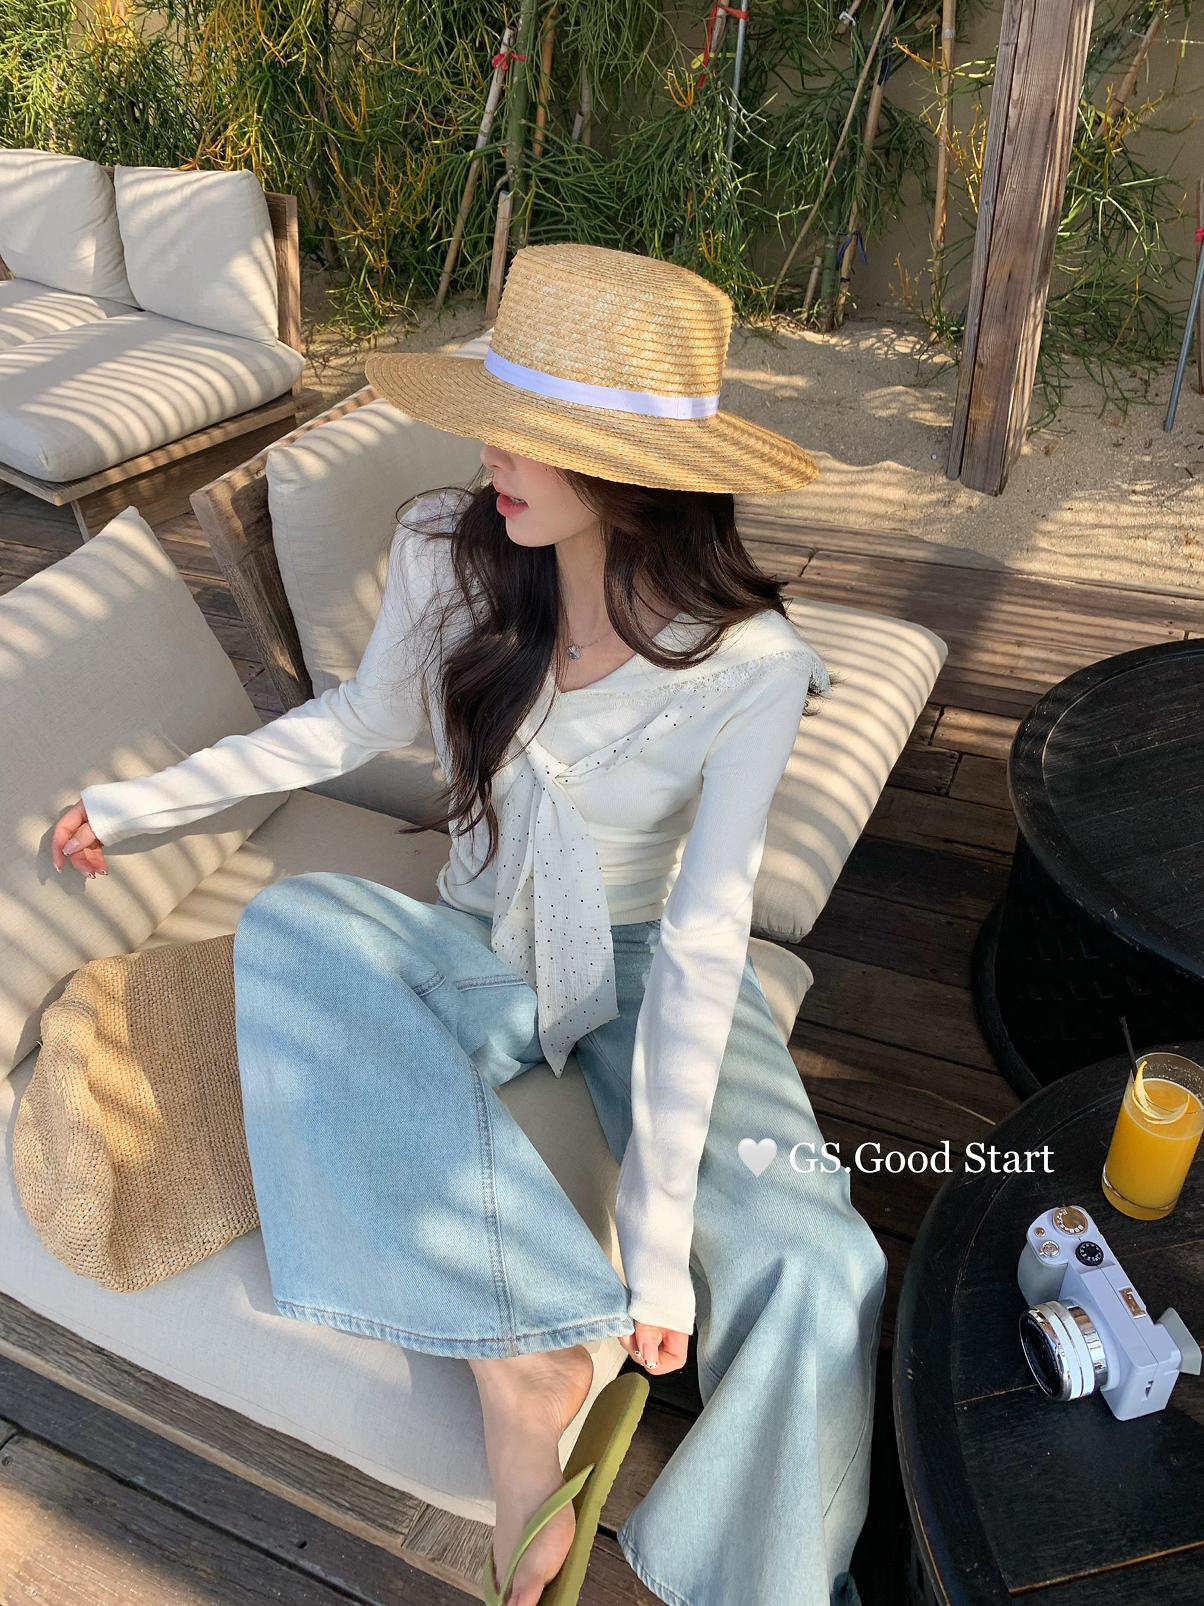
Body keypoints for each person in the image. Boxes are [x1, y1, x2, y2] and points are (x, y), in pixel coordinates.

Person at [52, 243, 888, 1606]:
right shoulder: (451, 551)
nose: (494, 450)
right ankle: (529, 1353)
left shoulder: (752, 667)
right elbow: (351, 723)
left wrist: (662, 1250)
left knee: (820, 1260)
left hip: (645, 958)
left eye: (534, 430)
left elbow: (699, 946)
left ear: (635, 467)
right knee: (295, 929)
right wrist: (142, 804)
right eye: (496, 411)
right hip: (478, 941)